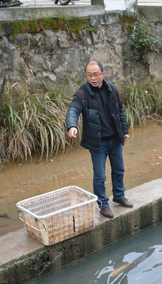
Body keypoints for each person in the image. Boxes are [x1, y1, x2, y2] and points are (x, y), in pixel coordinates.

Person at [66, 60, 132, 219]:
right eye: (89, 75)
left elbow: (120, 111)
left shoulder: (112, 89)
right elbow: (73, 110)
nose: (93, 78)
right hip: (98, 142)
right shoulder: (82, 93)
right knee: (100, 175)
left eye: (96, 74)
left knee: (119, 169)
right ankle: (103, 203)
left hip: (115, 139)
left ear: (103, 74)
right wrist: (71, 126)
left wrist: (124, 130)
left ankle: (119, 195)